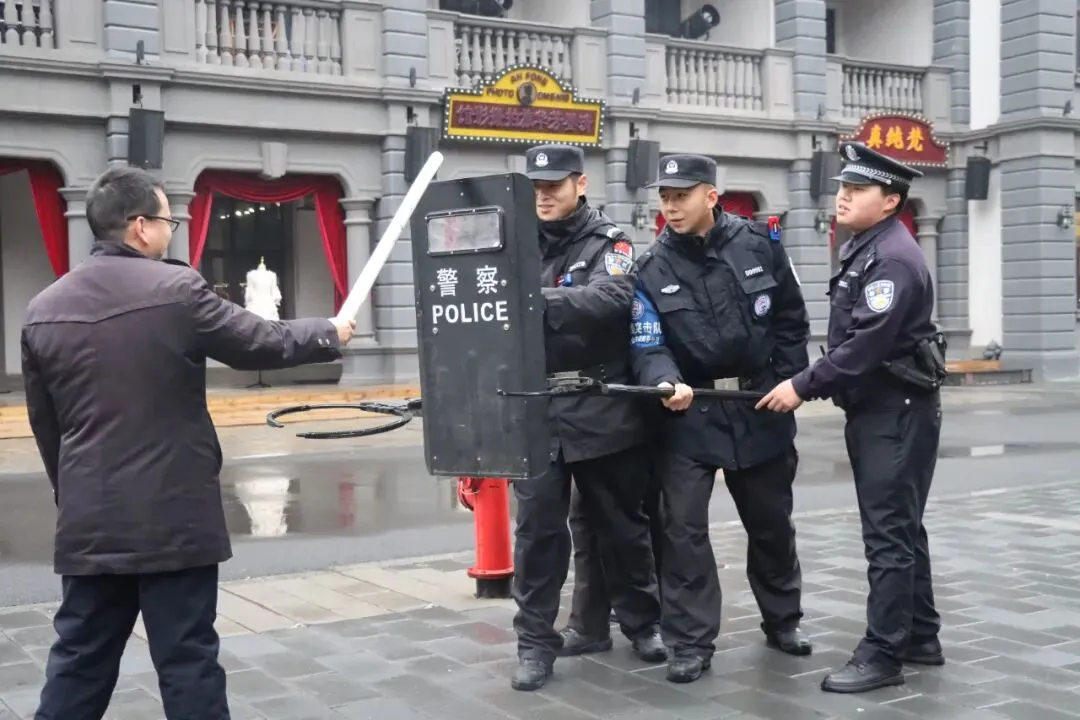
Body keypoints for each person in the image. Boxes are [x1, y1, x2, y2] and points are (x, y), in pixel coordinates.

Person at [23, 166, 355, 719]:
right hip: (173, 516)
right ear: (140, 227)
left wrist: (74, 494)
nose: (171, 230)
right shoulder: (176, 291)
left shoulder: (42, 309)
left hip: (91, 521)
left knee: (79, 660)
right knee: (186, 661)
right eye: (168, 220)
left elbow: (46, 424)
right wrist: (327, 332)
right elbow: (259, 341)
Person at [758, 142, 946, 694]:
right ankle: (920, 635)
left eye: (857, 190)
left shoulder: (891, 258)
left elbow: (865, 346)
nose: (843, 197)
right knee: (902, 526)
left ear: (890, 201)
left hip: (894, 411)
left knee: (887, 535)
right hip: (883, 408)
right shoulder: (871, 245)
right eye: (842, 187)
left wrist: (801, 385)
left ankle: (883, 653)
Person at [631, 153, 813, 684]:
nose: (670, 206)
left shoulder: (760, 244)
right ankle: (690, 642)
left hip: (759, 404)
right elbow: (647, 343)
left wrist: (790, 381)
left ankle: (783, 620)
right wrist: (665, 381)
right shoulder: (650, 268)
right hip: (690, 412)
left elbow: (791, 317)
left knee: (771, 523)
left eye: (681, 196)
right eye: (664, 197)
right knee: (683, 531)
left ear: (710, 196)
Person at [511, 143, 664, 692]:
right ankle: (534, 644)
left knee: (621, 526)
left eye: (553, 185)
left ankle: (643, 624)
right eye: (535, 187)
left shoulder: (609, 242)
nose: (543, 196)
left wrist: (535, 301)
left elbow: (614, 297)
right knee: (536, 535)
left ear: (580, 184)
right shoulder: (513, 241)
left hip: (599, 405)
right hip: (535, 408)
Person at [562, 409, 666, 655]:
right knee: (591, 519)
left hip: (629, 423)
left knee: (626, 522)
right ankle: (591, 624)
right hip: (588, 424)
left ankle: (646, 622)